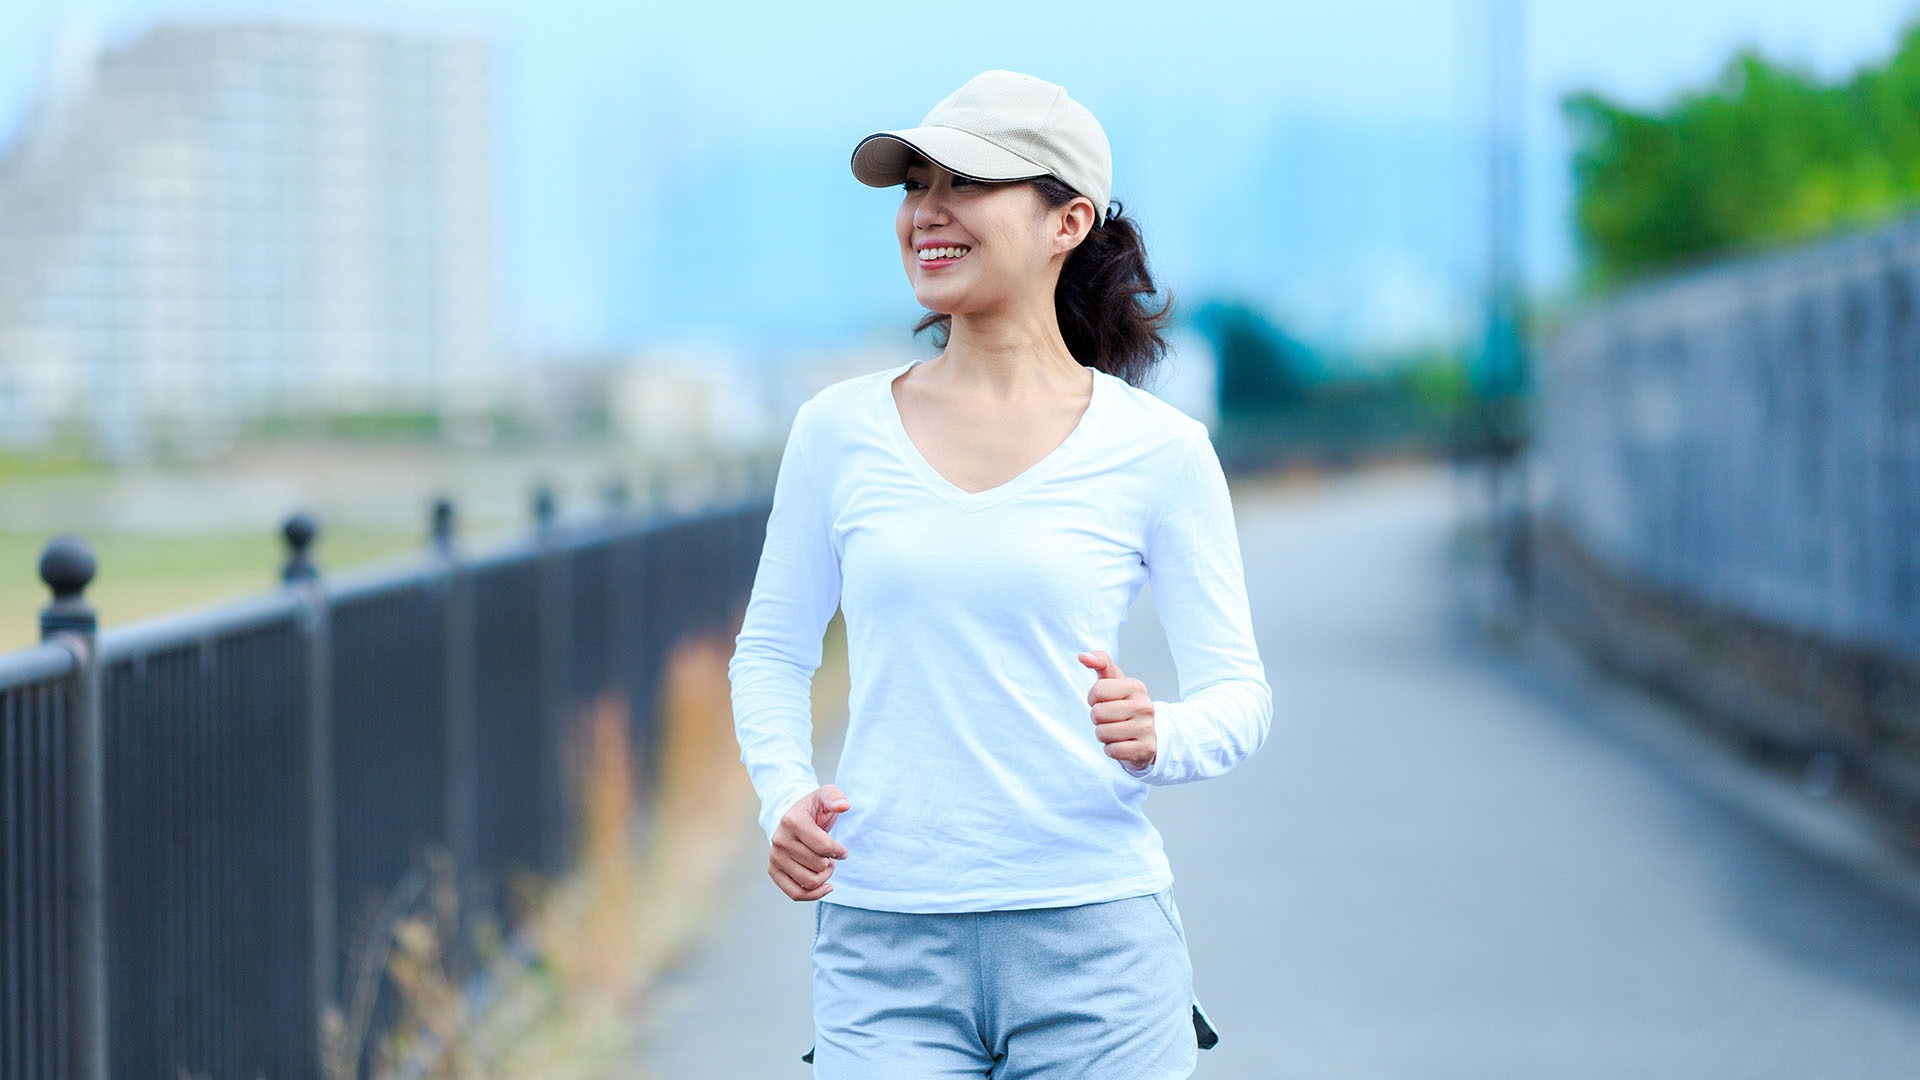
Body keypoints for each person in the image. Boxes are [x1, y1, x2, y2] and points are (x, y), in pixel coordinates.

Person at [728, 69, 1271, 1079]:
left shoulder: (1158, 449)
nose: (927, 213)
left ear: (1067, 221)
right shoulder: (837, 431)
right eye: (913, 186)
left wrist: (1164, 735)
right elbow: (770, 651)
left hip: (1097, 951)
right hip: (885, 944)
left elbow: (1242, 696)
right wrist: (783, 797)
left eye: (966, 183)